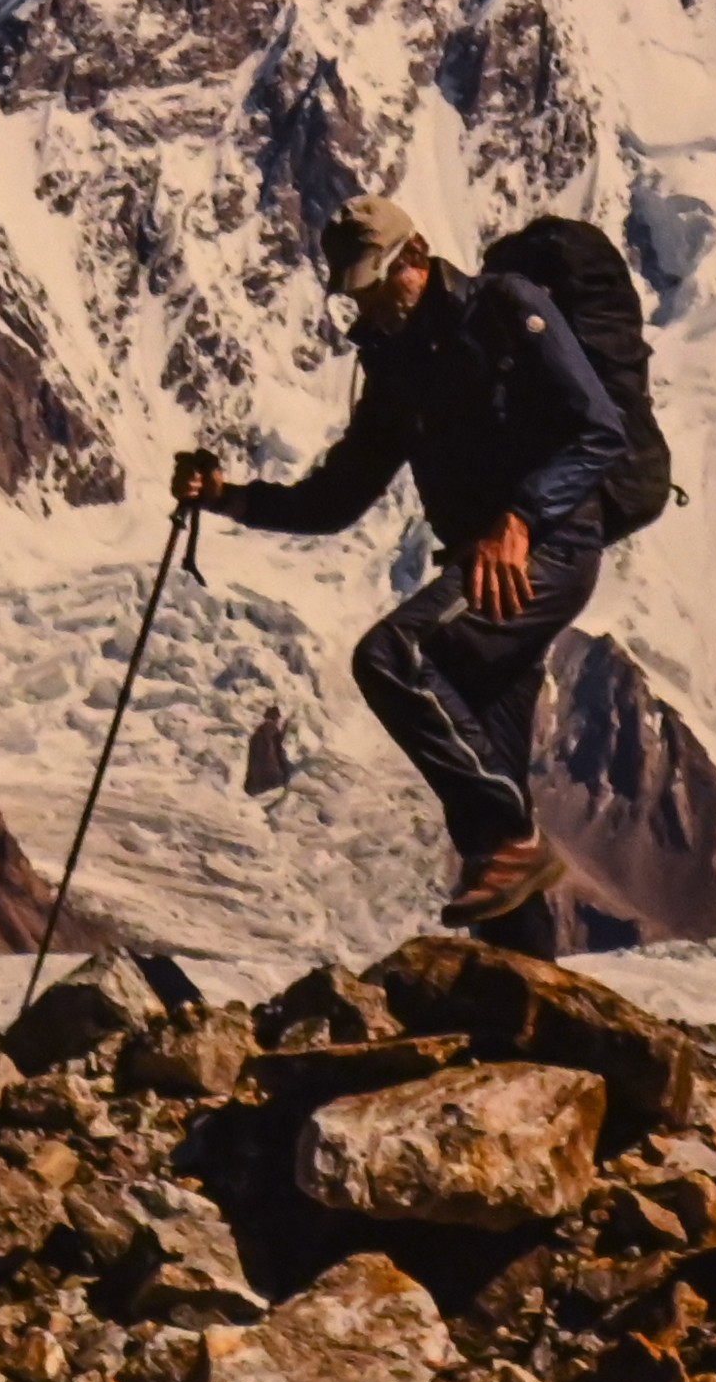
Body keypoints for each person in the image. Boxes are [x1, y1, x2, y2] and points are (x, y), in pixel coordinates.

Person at [171, 194, 627, 930]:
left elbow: (598, 432)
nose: (370, 305)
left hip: (550, 547)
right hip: (486, 567)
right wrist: (226, 497)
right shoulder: (398, 367)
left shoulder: (507, 308)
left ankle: (514, 833)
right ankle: (523, 995)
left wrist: (519, 519)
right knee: (484, 821)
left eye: (377, 284)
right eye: (356, 292)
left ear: (414, 259)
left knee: (392, 654)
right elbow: (337, 499)